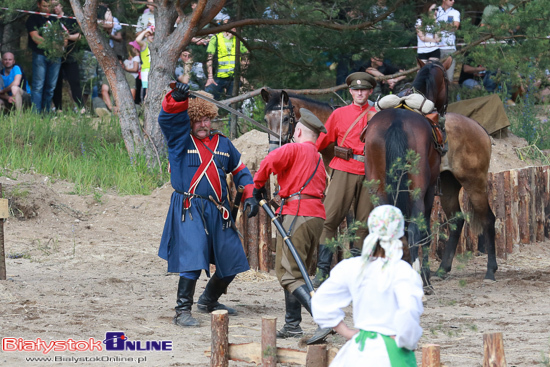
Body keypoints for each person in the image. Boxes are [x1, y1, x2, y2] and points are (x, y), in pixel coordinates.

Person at [157, 83, 259, 327]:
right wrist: (176, 99)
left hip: (218, 209)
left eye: (207, 119)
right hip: (188, 207)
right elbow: (168, 118)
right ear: (190, 121)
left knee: (233, 259)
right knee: (193, 258)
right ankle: (182, 311)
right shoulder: (179, 140)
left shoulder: (223, 144)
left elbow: (240, 171)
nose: (203, 124)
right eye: (198, 120)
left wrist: (250, 195)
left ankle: (209, 300)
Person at [253, 108, 333, 345]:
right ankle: (292, 325)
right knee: (295, 272)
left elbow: (269, 161)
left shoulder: (293, 148)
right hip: (316, 217)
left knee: (288, 274)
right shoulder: (317, 156)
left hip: (298, 214)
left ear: (298, 131)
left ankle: (323, 319)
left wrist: (256, 186)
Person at [311, 205, 424, 366]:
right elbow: (409, 311)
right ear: (400, 236)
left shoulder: (352, 266)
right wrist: (406, 341)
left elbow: (321, 301)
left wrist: (348, 333)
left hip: (358, 351)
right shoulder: (402, 271)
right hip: (391, 352)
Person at [313, 72, 376, 287]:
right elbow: (321, 142)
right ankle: (322, 271)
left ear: (370, 91)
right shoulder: (339, 114)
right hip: (343, 169)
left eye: (364, 89)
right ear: (350, 92)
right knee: (328, 219)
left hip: (370, 172)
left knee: (362, 225)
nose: (360, 93)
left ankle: (358, 273)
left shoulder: (378, 114)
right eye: (356, 90)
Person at [26, 0, 63, 113]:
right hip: (40, 55)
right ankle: (36, 114)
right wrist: (53, 44)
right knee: (38, 85)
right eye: (44, 6)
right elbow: (36, 38)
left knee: (51, 86)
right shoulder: (33, 18)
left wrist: (60, 43)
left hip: (56, 56)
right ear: (39, 5)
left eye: (49, 6)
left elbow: (62, 37)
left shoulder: (54, 19)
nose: (47, 8)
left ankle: (46, 112)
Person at [52, 0, 84, 113]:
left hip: (70, 55)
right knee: (56, 83)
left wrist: (68, 36)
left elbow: (79, 35)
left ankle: (80, 108)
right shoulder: (50, 19)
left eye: (56, 5)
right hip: (55, 56)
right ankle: (58, 108)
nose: (54, 8)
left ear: (61, 5)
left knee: (74, 82)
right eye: (52, 6)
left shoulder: (70, 19)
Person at [205, 18, 248, 100]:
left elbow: (246, 56)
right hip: (217, 77)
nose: (240, 32)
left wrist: (242, 73)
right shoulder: (216, 38)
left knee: (232, 104)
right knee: (211, 101)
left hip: (233, 78)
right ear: (233, 28)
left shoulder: (238, 39)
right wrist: (210, 77)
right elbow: (209, 59)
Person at [435, 0, 460, 81]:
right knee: (436, 77)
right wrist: (448, 25)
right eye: (450, 0)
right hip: (435, 48)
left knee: (448, 79)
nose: (453, 1)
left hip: (450, 48)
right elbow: (430, 25)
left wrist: (439, 26)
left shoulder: (455, 12)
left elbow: (455, 27)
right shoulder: (435, 10)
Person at [135, 26, 154, 101]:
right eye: (150, 34)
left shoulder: (159, 44)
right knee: (147, 92)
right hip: (146, 71)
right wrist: (146, 31)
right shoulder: (144, 44)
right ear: (146, 35)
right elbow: (137, 39)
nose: (152, 36)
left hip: (155, 70)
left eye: (154, 34)